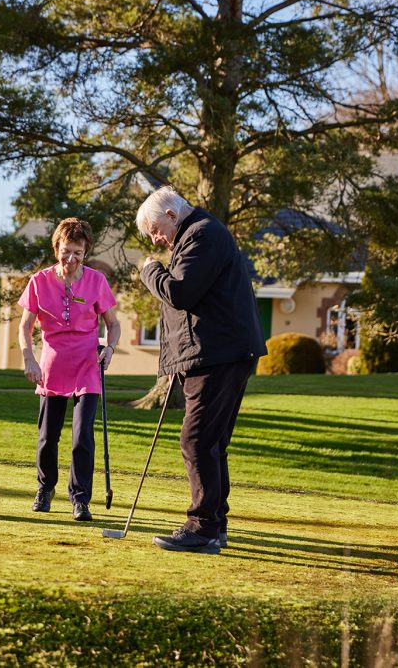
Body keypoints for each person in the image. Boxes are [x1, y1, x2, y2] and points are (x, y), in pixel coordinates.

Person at [137, 186, 266, 554]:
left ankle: (203, 526)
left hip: (218, 354)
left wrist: (150, 272)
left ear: (172, 216)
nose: (156, 239)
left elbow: (180, 293)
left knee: (196, 440)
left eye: (155, 230)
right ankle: (216, 524)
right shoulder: (200, 233)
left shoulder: (202, 235)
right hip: (221, 352)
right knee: (211, 443)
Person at [17, 218, 121, 522]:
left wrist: (110, 349)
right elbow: (24, 326)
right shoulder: (39, 281)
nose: (71, 259)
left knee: (82, 436)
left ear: (85, 252)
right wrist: (28, 358)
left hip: (88, 364)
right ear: (56, 249)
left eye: (78, 252)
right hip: (52, 363)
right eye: (66, 251)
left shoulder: (97, 281)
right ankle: (45, 487)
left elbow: (113, 324)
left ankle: (80, 499)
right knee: (48, 436)